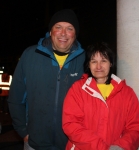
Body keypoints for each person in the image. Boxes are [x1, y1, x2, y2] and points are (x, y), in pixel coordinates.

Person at [8, 9, 85, 150]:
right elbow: (15, 97)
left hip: (71, 145)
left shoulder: (85, 61)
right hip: (35, 143)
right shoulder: (30, 55)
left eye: (69, 29)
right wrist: (23, 131)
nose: (63, 33)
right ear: (50, 32)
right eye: (58, 27)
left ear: (75, 35)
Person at [62, 42, 139, 150]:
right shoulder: (77, 89)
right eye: (94, 61)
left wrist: (121, 146)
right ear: (88, 64)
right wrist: (101, 147)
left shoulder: (126, 93)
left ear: (111, 63)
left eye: (104, 61)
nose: (98, 66)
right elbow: (71, 125)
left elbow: (135, 127)